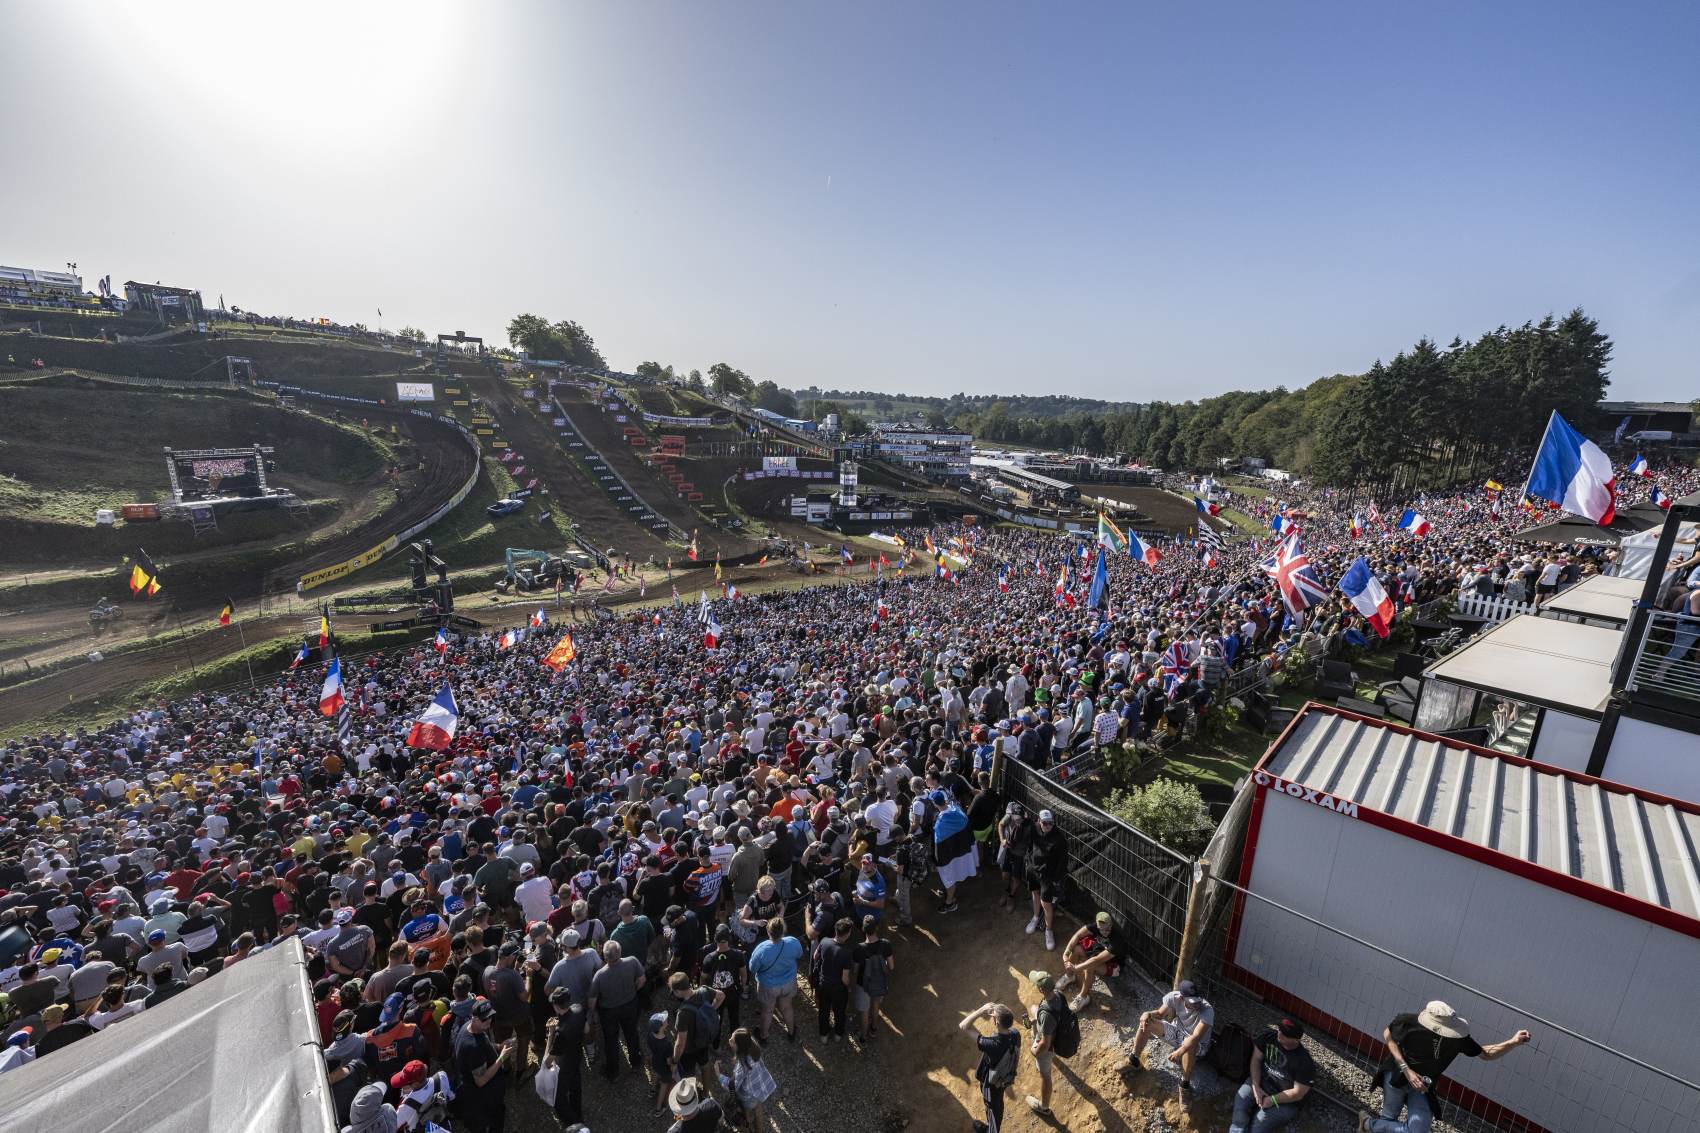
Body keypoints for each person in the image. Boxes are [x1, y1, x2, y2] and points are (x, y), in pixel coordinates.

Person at [1360, 1001, 1532, 1133]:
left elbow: (1486, 1054)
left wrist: (1513, 1042)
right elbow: (1388, 1034)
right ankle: (1372, 1126)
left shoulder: (1458, 1038)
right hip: (1396, 1074)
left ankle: (1367, 1124)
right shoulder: (1409, 1021)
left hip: (1423, 1087)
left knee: (1418, 1130)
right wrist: (1406, 1069)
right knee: (1388, 1119)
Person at [1229, 1017, 1315, 1132]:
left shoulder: (1304, 1062)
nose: (1279, 1034)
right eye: (1279, 1029)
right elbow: (1256, 1059)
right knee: (1240, 1109)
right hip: (1261, 1082)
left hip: (1286, 1101)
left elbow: (1297, 1093)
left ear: (1295, 1040)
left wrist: (1272, 1100)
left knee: (1258, 1125)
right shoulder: (1268, 1037)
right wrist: (1255, 1086)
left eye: (1284, 1034)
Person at [1130, 979, 1213, 1092]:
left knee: (1189, 1043)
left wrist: (1179, 1052)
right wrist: (1147, 1014)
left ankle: (1184, 1085)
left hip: (1198, 1045)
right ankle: (1134, 1060)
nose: (1197, 1004)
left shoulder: (1207, 1010)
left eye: (1198, 1000)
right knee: (1146, 1022)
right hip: (1177, 1033)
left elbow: (1196, 1037)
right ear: (1182, 998)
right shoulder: (1174, 997)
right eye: (1193, 1002)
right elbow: (1159, 1014)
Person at [586, 938, 646, 1081]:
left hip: (608, 1012)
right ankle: (636, 1062)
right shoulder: (632, 961)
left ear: (604, 956)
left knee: (611, 1041)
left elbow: (592, 1000)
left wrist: (593, 1013)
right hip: (630, 1004)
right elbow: (642, 979)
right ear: (620, 952)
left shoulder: (600, 975)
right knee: (631, 1033)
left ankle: (613, 1073)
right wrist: (633, 990)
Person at [452, 998, 514, 1133]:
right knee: (490, 1121)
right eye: (484, 1019)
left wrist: (499, 1046)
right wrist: (502, 1058)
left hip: (480, 1092)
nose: (489, 1021)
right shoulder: (474, 1048)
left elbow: (485, 1043)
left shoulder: (471, 1027)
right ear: (474, 1018)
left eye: (490, 1016)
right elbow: (480, 1081)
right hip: (482, 1095)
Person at [960, 1000, 1020, 1133]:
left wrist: (981, 1010)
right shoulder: (1016, 1034)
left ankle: (991, 1130)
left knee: (993, 1111)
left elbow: (963, 1025)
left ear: (996, 1022)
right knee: (996, 1108)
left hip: (991, 1085)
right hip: (1004, 1077)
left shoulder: (992, 1045)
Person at [747, 917, 803, 1043]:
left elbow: (752, 968)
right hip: (788, 982)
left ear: (768, 932)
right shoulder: (793, 942)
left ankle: (763, 1036)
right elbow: (799, 954)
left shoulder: (761, 949)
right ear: (783, 930)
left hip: (768, 986)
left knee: (767, 1011)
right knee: (787, 1007)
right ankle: (791, 1033)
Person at [540, 986, 587, 1127]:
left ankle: (575, 1124)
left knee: (558, 1100)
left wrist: (551, 1033)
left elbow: (547, 1061)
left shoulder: (561, 1033)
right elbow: (587, 1029)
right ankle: (577, 1113)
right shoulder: (579, 1009)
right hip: (577, 1057)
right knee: (575, 1088)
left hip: (564, 1066)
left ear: (556, 1006)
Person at [1025, 970, 1070, 1117]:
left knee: (1045, 1076)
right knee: (1034, 1008)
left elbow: (1045, 1043)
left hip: (1049, 1045)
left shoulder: (1046, 1014)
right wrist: (1038, 1021)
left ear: (1041, 989)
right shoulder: (1059, 994)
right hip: (1058, 1034)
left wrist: (1035, 1051)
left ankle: (1044, 1108)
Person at [1057, 910, 1120, 1013]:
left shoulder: (1117, 940)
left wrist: (1077, 967)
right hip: (1097, 953)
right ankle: (1070, 976)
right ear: (1098, 926)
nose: (1105, 932)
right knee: (1076, 949)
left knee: (1090, 966)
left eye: (1108, 929)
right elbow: (1077, 935)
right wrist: (1066, 953)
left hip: (1113, 966)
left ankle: (1083, 997)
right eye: (1102, 929)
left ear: (1111, 925)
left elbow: (1096, 960)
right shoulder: (1095, 926)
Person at [1024, 809, 1067, 951]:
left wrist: (1055, 880)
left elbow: (1063, 862)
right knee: (1035, 893)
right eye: (1045, 823)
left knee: (1046, 903)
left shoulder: (1060, 840)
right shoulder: (1034, 828)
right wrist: (1028, 861)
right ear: (1039, 821)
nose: (1048, 826)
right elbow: (1029, 843)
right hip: (1033, 870)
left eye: (1050, 823)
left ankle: (1048, 930)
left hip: (1048, 876)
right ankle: (1036, 917)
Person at [851, 914, 893, 1042]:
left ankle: (863, 1037)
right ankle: (873, 1029)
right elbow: (891, 966)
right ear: (877, 928)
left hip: (863, 984)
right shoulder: (885, 944)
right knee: (875, 1005)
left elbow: (855, 970)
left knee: (864, 1012)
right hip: (879, 982)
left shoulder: (859, 948)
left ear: (863, 930)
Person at [728, 1028, 778, 1133]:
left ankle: (747, 1127)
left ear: (739, 1047)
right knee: (758, 1108)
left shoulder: (742, 1065)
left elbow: (734, 1085)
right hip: (758, 1091)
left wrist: (719, 1075)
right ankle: (760, 1130)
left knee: (746, 1114)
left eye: (732, 1040)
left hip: (747, 1095)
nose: (729, 1040)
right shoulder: (754, 1050)